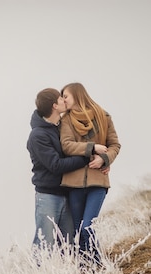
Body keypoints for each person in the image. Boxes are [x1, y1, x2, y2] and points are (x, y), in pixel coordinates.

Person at [26, 88, 104, 250]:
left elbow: (76, 146)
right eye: (61, 98)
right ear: (55, 105)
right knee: (44, 244)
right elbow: (56, 165)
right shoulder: (38, 135)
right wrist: (87, 156)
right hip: (48, 196)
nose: (65, 100)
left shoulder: (61, 127)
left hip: (66, 193)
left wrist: (104, 159)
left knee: (69, 245)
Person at [59, 82, 121, 264]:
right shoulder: (66, 120)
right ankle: (85, 270)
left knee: (88, 227)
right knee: (78, 231)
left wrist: (105, 159)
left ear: (78, 95)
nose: (63, 100)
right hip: (73, 183)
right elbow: (66, 145)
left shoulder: (104, 116)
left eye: (65, 96)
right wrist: (91, 147)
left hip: (98, 182)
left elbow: (115, 145)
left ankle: (98, 265)